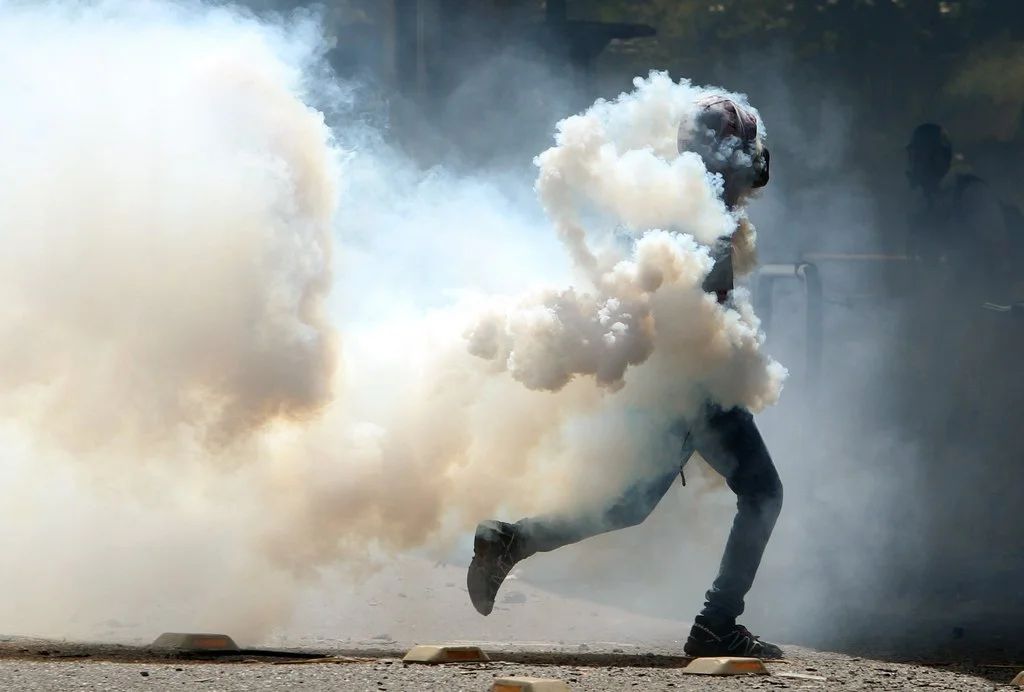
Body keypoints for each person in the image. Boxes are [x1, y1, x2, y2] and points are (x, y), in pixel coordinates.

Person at [466, 96, 785, 660]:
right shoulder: (704, 214)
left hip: (666, 383)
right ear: (730, 156)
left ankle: (510, 542)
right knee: (762, 492)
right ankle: (716, 624)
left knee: (629, 506)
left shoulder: (670, 200)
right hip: (692, 386)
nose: (751, 169)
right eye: (744, 155)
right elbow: (699, 317)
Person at [904, 122, 1015, 298]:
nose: (915, 166)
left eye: (920, 158)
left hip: (982, 298)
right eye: (914, 158)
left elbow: (997, 257)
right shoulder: (924, 202)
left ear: (937, 159)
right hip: (945, 299)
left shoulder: (972, 194)